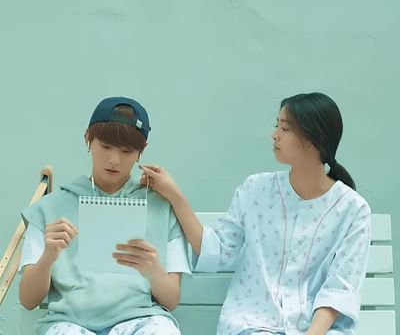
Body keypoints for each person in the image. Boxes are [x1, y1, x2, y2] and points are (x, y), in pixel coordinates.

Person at [140, 92, 371, 335]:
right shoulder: (255, 191)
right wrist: (174, 194)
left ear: (314, 139)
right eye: (276, 125)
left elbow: (339, 289)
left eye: (285, 128)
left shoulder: (353, 211)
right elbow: (217, 250)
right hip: (252, 324)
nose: (274, 134)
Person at [19, 96, 190, 335]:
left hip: (140, 320)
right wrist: (48, 256)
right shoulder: (49, 209)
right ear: (88, 138)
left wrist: (154, 270)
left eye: (126, 151)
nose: (114, 160)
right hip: (71, 323)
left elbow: (171, 300)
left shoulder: (161, 208)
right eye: (106, 147)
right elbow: (28, 300)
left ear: (142, 150)